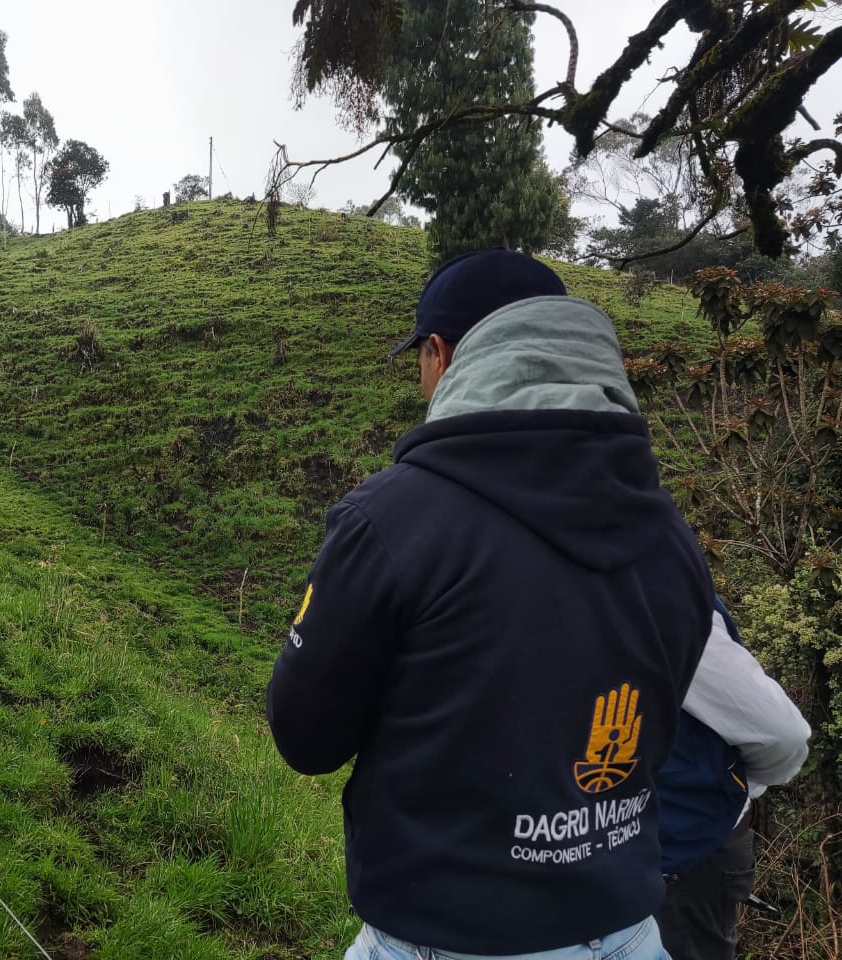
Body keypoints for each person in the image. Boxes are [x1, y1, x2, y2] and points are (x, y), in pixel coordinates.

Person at [265, 248, 715, 960]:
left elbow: (306, 738)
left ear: (441, 354)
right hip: (629, 933)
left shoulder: (393, 520)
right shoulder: (671, 536)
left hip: (445, 938)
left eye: (419, 360)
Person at [655, 597, 810, 960]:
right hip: (684, 846)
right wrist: (741, 788)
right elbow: (781, 735)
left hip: (659, 848)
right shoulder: (661, 593)